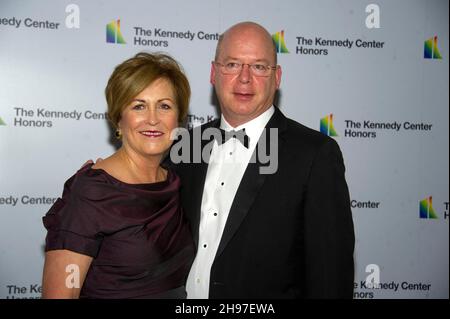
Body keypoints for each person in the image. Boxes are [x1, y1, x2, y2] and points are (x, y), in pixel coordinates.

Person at [169, 22, 355, 298]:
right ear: (213, 73)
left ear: (277, 77)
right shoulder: (185, 145)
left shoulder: (315, 155)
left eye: (259, 67)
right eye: (232, 64)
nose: (244, 78)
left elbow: (330, 277)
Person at [41, 52, 195, 299]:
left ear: (179, 119)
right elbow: (61, 294)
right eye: (139, 106)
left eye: (164, 106)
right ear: (119, 119)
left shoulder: (175, 182)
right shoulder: (94, 191)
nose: (153, 119)